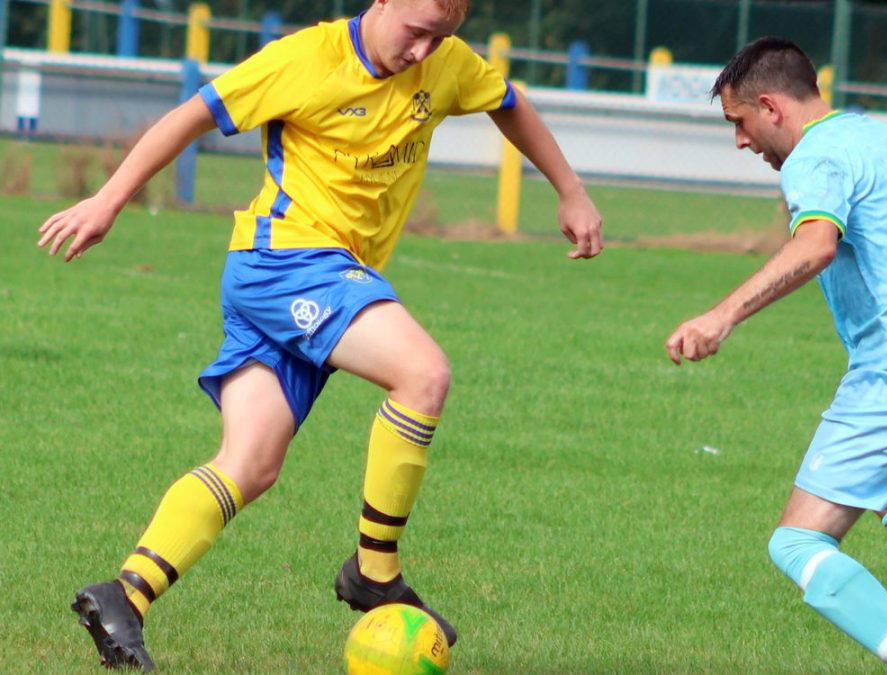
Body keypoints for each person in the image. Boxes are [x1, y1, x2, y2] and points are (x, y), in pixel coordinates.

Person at [38, 0, 603, 669]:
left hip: (298, 276)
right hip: (288, 262)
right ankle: (375, 570)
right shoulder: (306, 59)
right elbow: (193, 114)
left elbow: (509, 102)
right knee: (423, 373)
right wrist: (108, 200)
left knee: (250, 463)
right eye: (417, 32)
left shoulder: (445, 64)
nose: (424, 52)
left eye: (442, 37)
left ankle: (124, 595)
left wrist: (570, 189)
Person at [664, 37, 887, 675]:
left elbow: (817, 245)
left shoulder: (814, 156)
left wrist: (721, 315)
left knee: (798, 542)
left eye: (739, 122)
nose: (740, 141)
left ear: (770, 107)